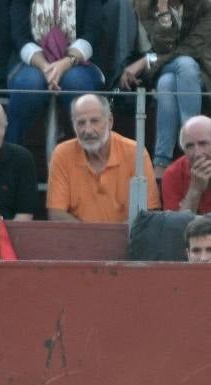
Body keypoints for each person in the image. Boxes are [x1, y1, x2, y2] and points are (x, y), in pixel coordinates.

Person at [120, 0, 210, 178]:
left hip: (201, 70)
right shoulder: (149, 6)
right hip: (173, 67)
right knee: (173, 75)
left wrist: (145, 62)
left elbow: (192, 48)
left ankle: (164, 161)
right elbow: (162, 47)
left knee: (169, 80)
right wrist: (163, 13)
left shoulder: (205, 5)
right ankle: (188, 153)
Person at [47, 93, 160, 222]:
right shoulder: (62, 154)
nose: (88, 130)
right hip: (77, 240)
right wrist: (93, 239)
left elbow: (149, 212)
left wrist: (109, 239)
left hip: (127, 239)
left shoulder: (135, 152)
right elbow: (56, 214)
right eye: (81, 123)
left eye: (94, 121)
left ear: (110, 121)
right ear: (73, 125)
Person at [5, 0, 105, 145]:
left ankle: (91, 155)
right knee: (29, 84)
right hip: (32, 61)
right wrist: (47, 68)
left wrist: (64, 64)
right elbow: (19, 36)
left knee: (76, 81)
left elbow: (92, 33)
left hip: (80, 60)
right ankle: (11, 153)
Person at [162, 115, 211, 213]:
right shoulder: (173, 173)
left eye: (203, 143)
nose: (197, 153)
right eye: (189, 146)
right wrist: (195, 190)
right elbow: (176, 226)